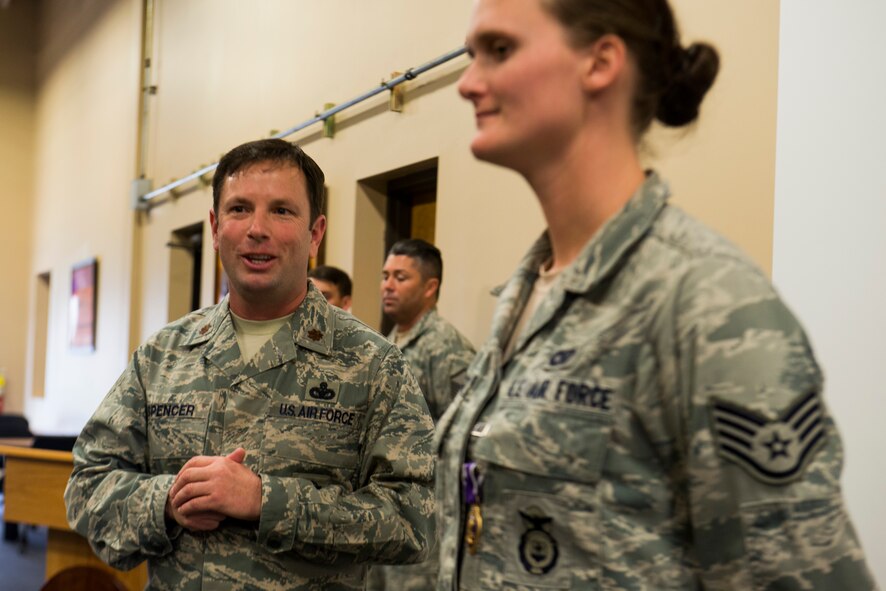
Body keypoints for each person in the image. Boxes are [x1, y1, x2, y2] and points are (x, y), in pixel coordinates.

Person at [435, 1, 877, 590]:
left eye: (500, 50)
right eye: (470, 55)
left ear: (600, 62)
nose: (467, 83)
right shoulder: (528, 294)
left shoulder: (705, 303)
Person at [64, 139, 436, 590]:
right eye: (240, 209)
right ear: (216, 227)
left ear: (315, 233)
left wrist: (268, 501)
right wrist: (168, 500)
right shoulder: (163, 356)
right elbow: (87, 487)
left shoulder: (373, 365)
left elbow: (414, 521)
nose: (257, 229)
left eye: (282, 211)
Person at [368, 239, 475, 591]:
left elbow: (463, 442)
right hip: (385, 513)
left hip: (425, 522)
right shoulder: (390, 343)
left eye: (401, 277)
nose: (388, 285)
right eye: (385, 276)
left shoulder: (447, 348)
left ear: (430, 287)